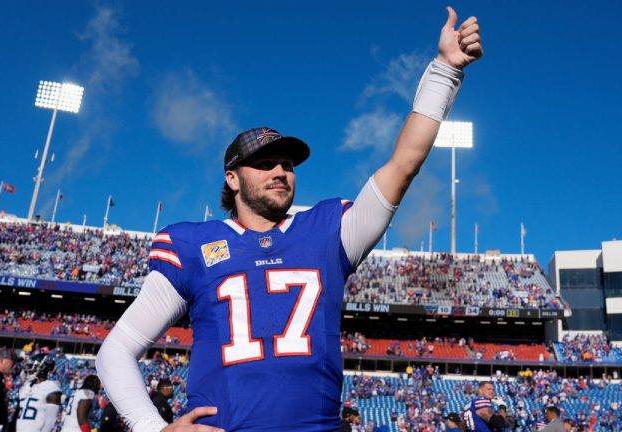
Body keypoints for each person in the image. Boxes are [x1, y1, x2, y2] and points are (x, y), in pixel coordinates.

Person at [96, 6, 483, 431]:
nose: (280, 171)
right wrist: (153, 429)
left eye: (287, 163)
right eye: (264, 163)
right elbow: (117, 350)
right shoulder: (191, 244)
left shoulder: (328, 231)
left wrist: (445, 70)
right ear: (233, 178)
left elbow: (402, 165)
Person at [15, 356, 62, 432]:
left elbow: (50, 421)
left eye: (32, 366)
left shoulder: (51, 387)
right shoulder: (26, 386)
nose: (30, 370)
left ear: (43, 368)